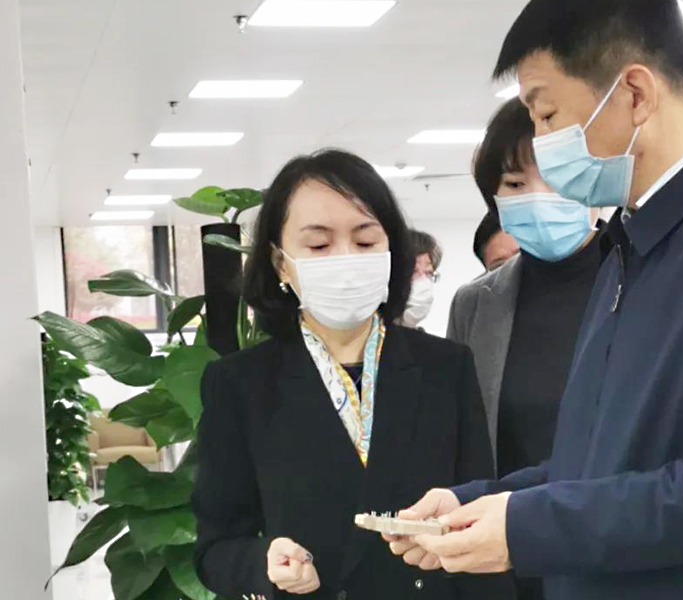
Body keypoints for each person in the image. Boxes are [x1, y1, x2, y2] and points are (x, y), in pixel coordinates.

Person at [387, 1, 683, 599]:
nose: (542, 143)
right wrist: (479, 503)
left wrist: (530, 527)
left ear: (634, 94)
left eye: (547, 115)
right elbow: (601, 462)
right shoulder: (631, 252)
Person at [192, 149, 512, 600]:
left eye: (364, 243)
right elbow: (216, 547)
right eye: (319, 246)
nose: (344, 259)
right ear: (281, 262)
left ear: (390, 252)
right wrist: (262, 562)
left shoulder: (446, 367)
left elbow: (479, 521)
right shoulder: (240, 384)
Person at [448, 98, 605, 600]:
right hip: (506, 563)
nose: (538, 197)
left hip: (615, 552)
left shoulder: (648, 281)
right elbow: (464, 436)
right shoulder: (476, 304)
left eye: (557, 178)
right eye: (515, 184)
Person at [402, 229, 442, 328]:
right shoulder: (368, 333)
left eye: (428, 273)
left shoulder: (422, 337)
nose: (423, 282)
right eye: (414, 272)